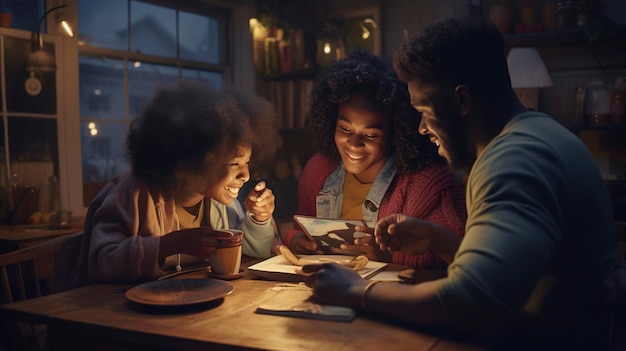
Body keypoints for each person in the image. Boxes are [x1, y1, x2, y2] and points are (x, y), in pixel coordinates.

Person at [302, 18, 620, 350]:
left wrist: (356, 291)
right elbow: (514, 274)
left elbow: (473, 301)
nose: (422, 128)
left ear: (462, 100)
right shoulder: (539, 135)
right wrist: (440, 240)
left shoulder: (514, 161)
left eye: (425, 111)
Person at [67, 80, 280, 286]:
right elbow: (102, 260)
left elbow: (253, 252)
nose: (246, 175)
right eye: (235, 163)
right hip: (115, 313)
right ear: (198, 158)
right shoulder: (135, 193)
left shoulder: (220, 203)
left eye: (247, 163)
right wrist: (169, 245)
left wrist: (259, 219)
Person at [282, 47, 467, 268]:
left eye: (370, 134)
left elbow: (459, 258)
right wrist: (296, 240)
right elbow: (300, 224)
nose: (354, 143)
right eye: (345, 129)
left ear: (394, 134)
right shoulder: (318, 170)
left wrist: (389, 257)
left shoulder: (430, 184)